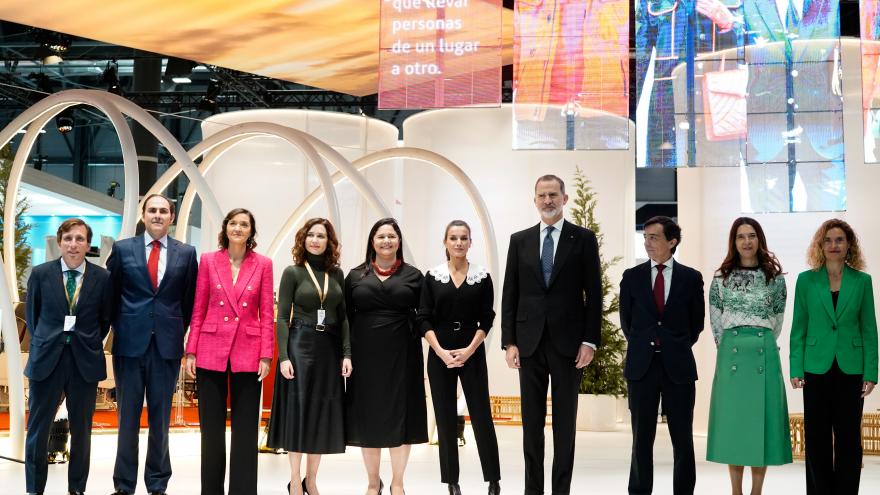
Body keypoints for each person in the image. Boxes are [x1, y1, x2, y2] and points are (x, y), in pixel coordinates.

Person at [500, 174, 602, 495]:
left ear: (564, 198)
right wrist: (509, 341)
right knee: (531, 427)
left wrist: (590, 341)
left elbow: (594, 294)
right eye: (542, 195)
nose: (548, 200)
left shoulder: (583, 239)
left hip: (569, 345)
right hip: (528, 344)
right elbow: (510, 293)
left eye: (553, 194)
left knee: (564, 427)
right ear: (534, 201)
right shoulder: (520, 240)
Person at [108, 193, 198, 495]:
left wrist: (174, 331)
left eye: (163, 211)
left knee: (161, 420)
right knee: (127, 419)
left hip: (166, 347)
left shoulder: (186, 254)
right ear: (143, 215)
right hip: (129, 346)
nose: (158, 215)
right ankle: (123, 485)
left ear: (171, 217)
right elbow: (111, 296)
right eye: (152, 210)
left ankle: (158, 484)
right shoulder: (122, 250)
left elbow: (188, 301)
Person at [184, 208, 274, 495]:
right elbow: (198, 309)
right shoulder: (209, 260)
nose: (238, 228)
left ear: (251, 231)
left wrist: (266, 354)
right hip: (210, 349)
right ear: (226, 228)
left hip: (248, 351)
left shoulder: (263, 264)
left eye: (244, 224)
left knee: (246, 431)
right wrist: (191, 351)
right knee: (210, 432)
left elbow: (266, 314)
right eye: (233, 223)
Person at [24, 219, 112, 495]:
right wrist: (49, 340)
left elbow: (105, 321)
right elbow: (32, 316)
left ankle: (76, 489)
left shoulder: (103, 278)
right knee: (38, 430)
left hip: (83, 362)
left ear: (88, 244)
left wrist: (84, 342)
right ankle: (34, 489)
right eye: (68, 239)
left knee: (82, 431)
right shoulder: (40, 274)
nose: (73, 244)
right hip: (46, 359)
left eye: (80, 239)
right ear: (60, 242)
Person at [790, 219, 878, 495]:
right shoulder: (806, 280)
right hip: (815, 367)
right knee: (816, 438)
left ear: (849, 245)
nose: (833, 245)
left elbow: (869, 329)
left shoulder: (862, 281)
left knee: (849, 439)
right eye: (828, 240)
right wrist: (796, 366)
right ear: (820, 245)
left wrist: (871, 373)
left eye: (839, 240)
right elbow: (798, 327)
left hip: (851, 368)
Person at [619, 215, 704, 495]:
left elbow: (696, 324)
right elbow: (627, 323)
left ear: (672, 241)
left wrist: (671, 344)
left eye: (653, 237)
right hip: (641, 367)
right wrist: (648, 344)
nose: (647, 243)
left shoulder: (691, 278)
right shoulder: (631, 277)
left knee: (682, 439)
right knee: (641, 439)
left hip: (677, 367)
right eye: (645, 237)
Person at [705, 217, 791, 494]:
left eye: (751, 235)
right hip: (732, 354)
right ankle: (736, 491)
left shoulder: (775, 279)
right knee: (735, 423)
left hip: (763, 351)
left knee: (760, 423)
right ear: (734, 241)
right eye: (740, 236)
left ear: (759, 239)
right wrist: (730, 342)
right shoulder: (721, 279)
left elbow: (777, 320)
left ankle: (756, 491)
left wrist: (761, 340)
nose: (746, 241)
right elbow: (716, 320)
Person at [267, 218, 352, 495]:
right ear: (303, 239)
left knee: (321, 414)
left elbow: (344, 318)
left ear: (329, 242)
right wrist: (283, 357)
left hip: (328, 348)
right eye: (311, 235)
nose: (316, 240)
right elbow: (281, 318)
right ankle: (294, 480)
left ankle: (311, 480)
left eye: (322, 236)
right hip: (300, 345)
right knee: (299, 413)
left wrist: (346, 353)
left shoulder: (336, 275)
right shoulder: (293, 272)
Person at [344, 218, 428, 495]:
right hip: (364, 356)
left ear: (399, 241)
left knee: (401, 417)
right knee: (369, 418)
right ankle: (372, 482)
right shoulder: (356, 276)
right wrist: (344, 355)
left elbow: (426, 316)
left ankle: (398, 482)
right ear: (372, 241)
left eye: (392, 236)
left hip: (404, 355)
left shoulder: (414, 276)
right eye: (381, 236)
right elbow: (344, 318)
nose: (386, 241)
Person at [418, 220, 501, 495]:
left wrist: (469, 350)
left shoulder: (482, 276)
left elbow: (487, 318)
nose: (458, 243)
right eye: (453, 238)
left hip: (471, 352)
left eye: (464, 238)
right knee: (444, 417)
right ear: (445, 242)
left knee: (481, 415)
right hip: (439, 352)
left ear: (470, 242)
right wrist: (441, 352)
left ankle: (493, 479)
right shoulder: (432, 277)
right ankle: (452, 481)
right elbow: (423, 319)